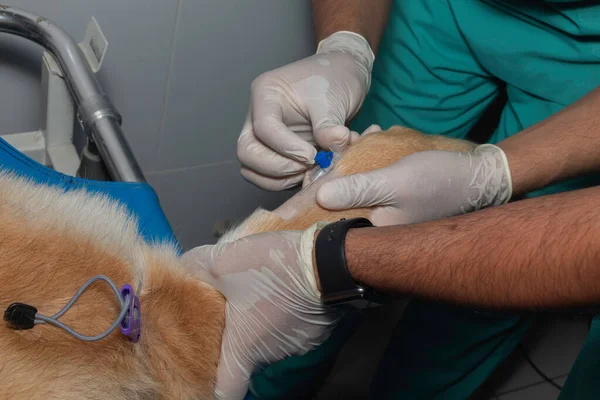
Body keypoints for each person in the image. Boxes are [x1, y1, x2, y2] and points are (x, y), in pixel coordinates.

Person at [197, 1, 600, 398]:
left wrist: (494, 174)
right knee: (324, 215)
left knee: (498, 276)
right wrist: (345, 43)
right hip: (444, 11)